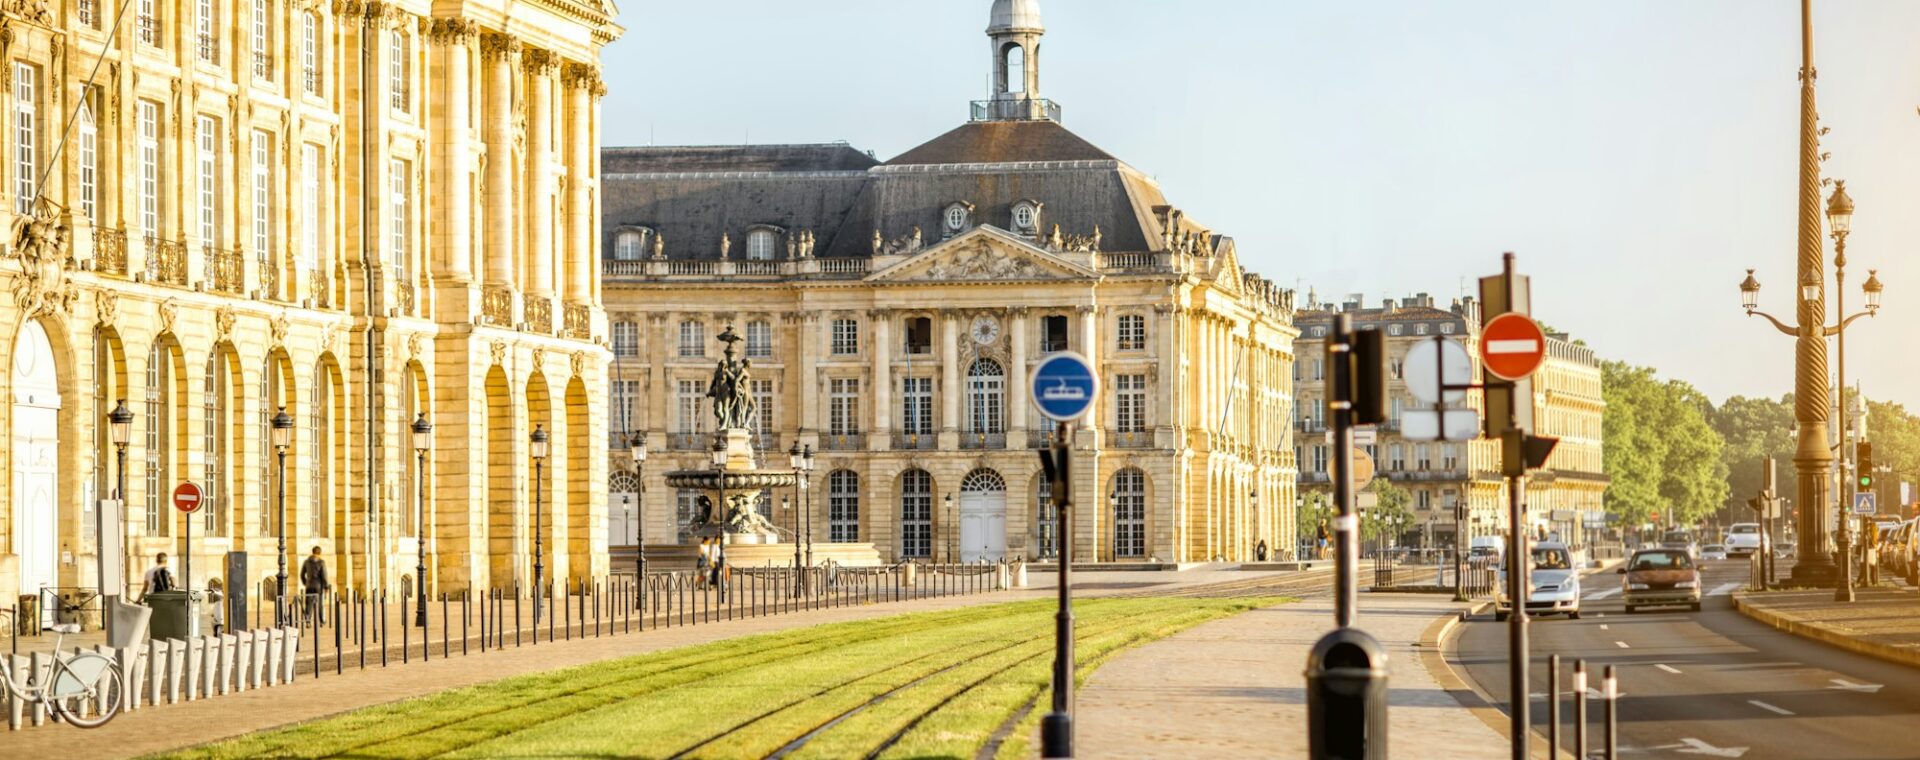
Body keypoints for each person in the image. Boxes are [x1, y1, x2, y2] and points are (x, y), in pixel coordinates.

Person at [300, 546, 331, 626]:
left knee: (308, 604)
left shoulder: (306, 562)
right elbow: (324, 576)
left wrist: (305, 582)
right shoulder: (321, 562)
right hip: (318, 586)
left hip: (309, 586)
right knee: (320, 604)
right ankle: (321, 621)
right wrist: (326, 586)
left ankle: (308, 621)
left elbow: (302, 574)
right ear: (319, 553)